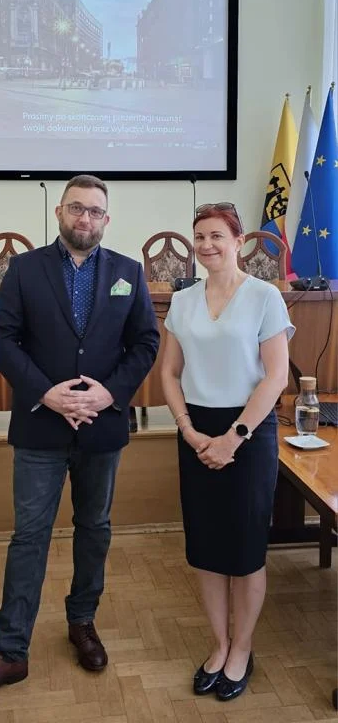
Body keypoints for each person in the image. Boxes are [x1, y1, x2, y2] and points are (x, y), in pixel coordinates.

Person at [0, 174, 159, 706]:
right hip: (41, 425)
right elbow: (2, 341)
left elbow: (145, 342)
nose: (85, 218)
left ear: (106, 219)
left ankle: (82, 622)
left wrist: (109, 394)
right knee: (30, 537)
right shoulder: (23, 269)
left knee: (95, 530)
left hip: (102, 427)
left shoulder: (129, 272)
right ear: (60, 212)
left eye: (95, 211)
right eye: (76, 208)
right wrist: (47, 393)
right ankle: (10, 651)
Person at [161, 202, 294, 703]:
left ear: (238, 242)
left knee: (244, 550)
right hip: (196, 432)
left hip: (249, 432)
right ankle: (218, 644)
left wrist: (233, 437)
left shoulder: (264, 296)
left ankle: (242, 647)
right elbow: (169, 372)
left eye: (217, 235)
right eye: (199, 236)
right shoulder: (183, 300)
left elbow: (276, 376)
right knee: (206, 548)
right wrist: (188, 429)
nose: (207, 245)